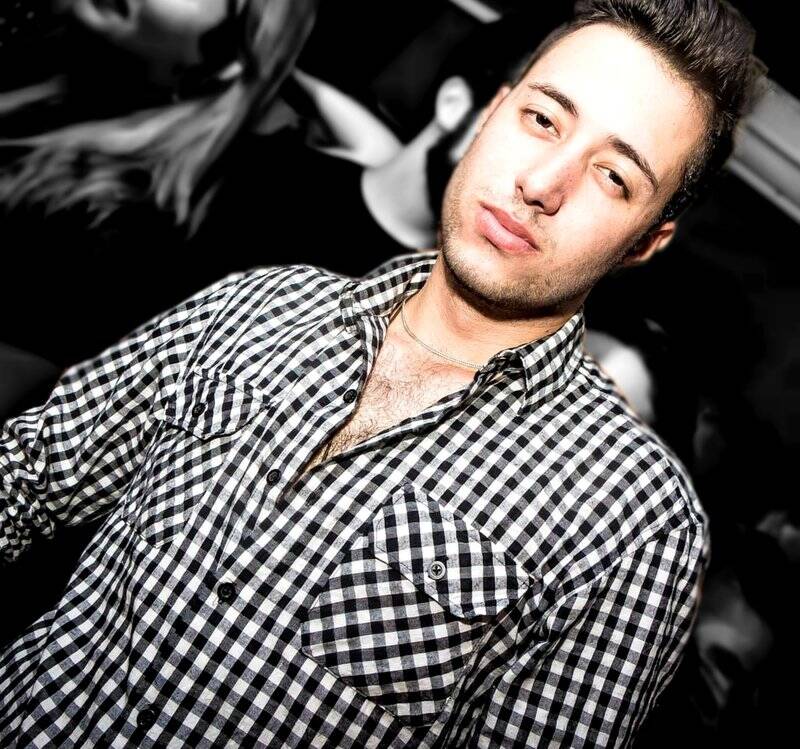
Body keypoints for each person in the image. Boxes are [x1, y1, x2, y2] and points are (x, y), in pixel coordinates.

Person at [0, 1, 764, 746]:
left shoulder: (633, 521)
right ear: (492, 111)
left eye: (614, 176)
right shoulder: (264, 302)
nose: (542, 182)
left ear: (645, 241)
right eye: (542, 119)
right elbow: (28, 475)